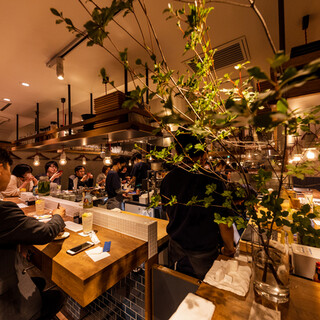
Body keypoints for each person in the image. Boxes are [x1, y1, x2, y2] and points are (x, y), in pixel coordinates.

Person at [0, 148, 66, 320]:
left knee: (40, 282)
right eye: (8, 167)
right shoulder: (4, 211)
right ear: (1, 169)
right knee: (58, 296)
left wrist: (18, 239)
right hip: (7, 307)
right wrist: (58, 217)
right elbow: (45, 233)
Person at [160, 130, 235, 279]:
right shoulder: (213, 180)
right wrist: (229, 250)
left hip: (176, 250)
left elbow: (169, 215)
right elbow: (225, 223)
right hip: (204, 255)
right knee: (203, 297)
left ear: (178, 151)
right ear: (202, 151)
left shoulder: (167, 180)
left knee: (180, 295)